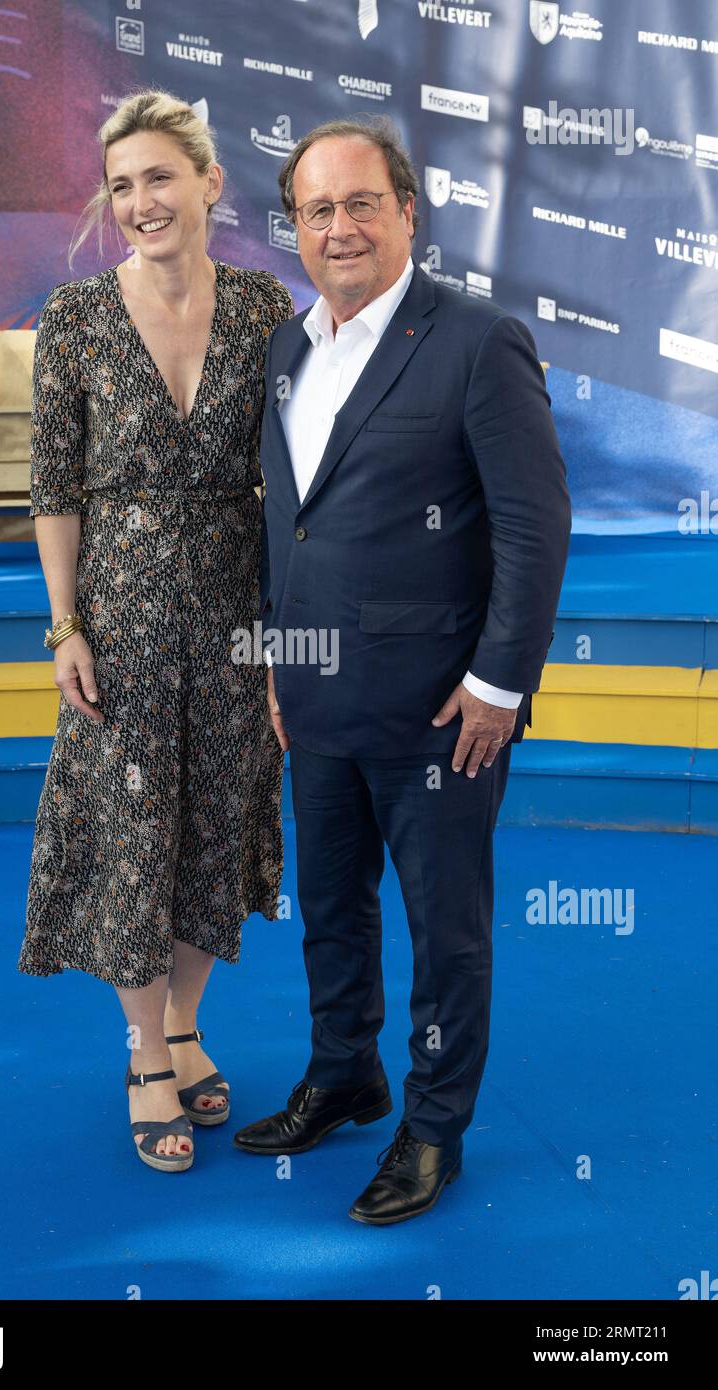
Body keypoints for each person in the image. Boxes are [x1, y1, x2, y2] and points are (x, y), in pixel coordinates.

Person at [233, 116, 572, 1224]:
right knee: (330, 908)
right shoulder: (288, 348)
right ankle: (345, 1074)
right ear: (294, 228)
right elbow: (290, 523)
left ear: (408, 211)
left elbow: (532, 526)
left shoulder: (477, 340)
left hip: (441, 712)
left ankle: (433, 1127)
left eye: (359, 202)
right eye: (316, 209)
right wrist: (282, 662)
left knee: (445, 931)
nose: (338, 227)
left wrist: (496, 684)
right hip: (317, 697)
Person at [17, 88, 293, 1173]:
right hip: (120, 618)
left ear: (209, 183)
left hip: (235, 615)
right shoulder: (75, 316)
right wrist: (63, 624)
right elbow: (54, 485)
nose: (140, 201)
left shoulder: (267, 307)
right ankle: (142, 1051)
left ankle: (184, 1022)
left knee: (212, 828)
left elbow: (295, 474)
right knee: (133, 842)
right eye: (121, 185)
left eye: (160, 178)